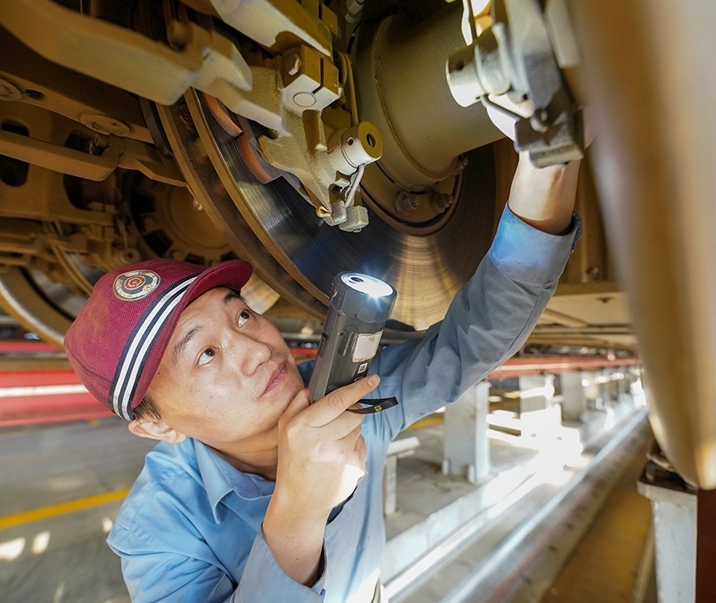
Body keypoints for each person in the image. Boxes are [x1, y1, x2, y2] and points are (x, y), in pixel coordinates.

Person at [64, 151, 582, 602]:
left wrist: (546, 174)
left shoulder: (341, 395)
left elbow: (470, 341)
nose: (256, 348)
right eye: (204, 354)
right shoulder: (157, 532)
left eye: (241, 314)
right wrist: (299, 510)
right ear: (157, 426)